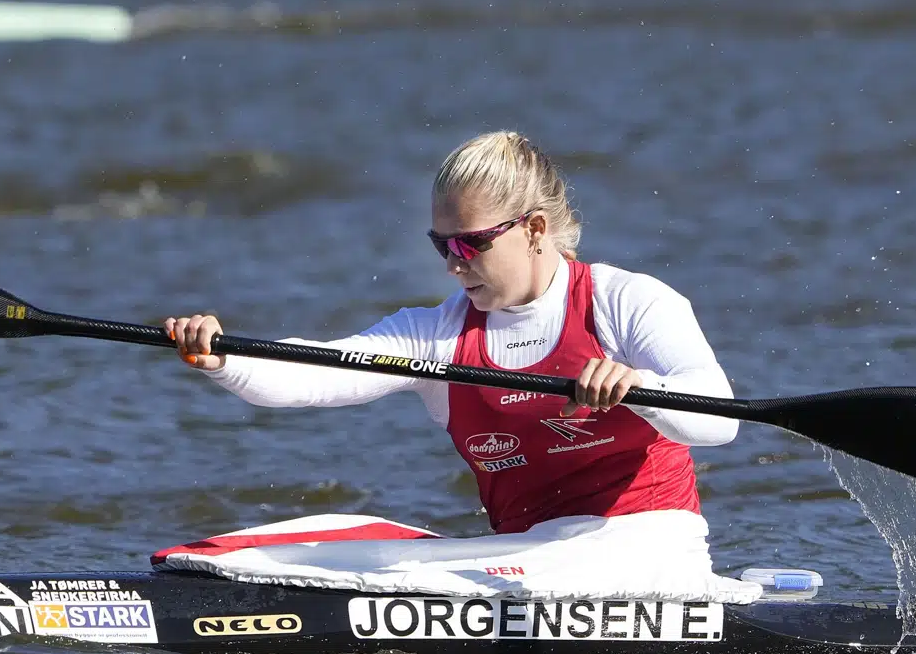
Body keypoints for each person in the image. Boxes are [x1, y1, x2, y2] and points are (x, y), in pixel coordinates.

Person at [166, 130, 738, 537]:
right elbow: (320, 371)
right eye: (441, 244)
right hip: (527, 560)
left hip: (650, 551)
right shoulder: (438, 337)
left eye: (471, 243)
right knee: (335, 535)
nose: (452, 263)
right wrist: (222, 357)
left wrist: (638, 387)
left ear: (535, 229)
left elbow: (720, 422)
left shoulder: (625, 302)